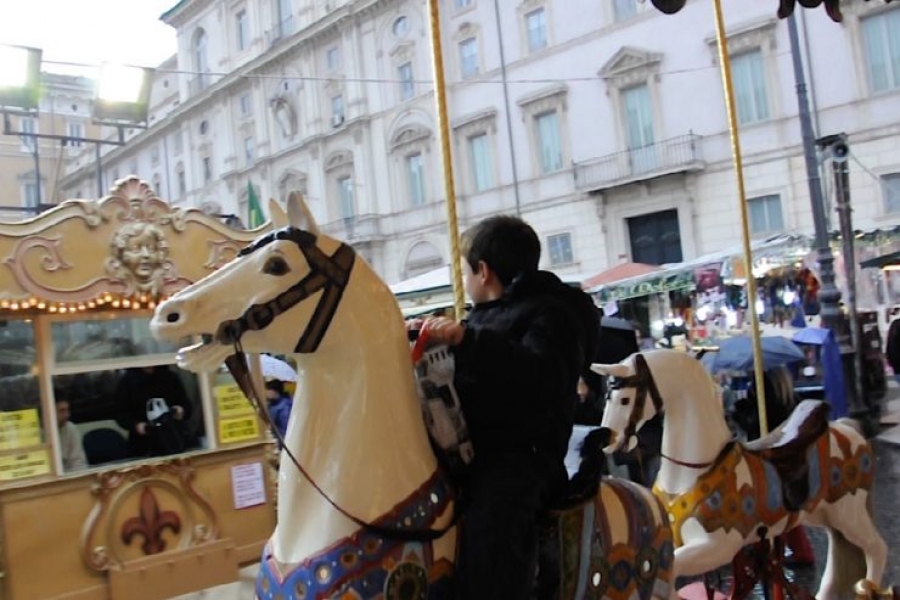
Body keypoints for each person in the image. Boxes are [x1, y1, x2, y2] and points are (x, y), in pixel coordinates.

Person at [419, 215, 599, 600]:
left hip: (520, 458)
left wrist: (468, 342)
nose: (465, 280)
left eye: (465, 271)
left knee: (491, 542)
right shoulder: (480, 319)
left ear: (482, 272)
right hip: (470, 453)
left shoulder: (554, 315)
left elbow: (542, 377)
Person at [114, 365, 193, 457]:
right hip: (143, 442)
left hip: (172, 435)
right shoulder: (127, 381)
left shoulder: (169, 376)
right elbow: (120, 414)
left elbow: (186, 405)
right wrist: (136, 425)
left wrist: (180, 411)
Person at [55, 397, 87, 471]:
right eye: (61, 411)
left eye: (67, 410)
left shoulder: (70, 428)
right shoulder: (37, 432)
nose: (67, 415)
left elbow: (78, 463)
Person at [886, 315, 900, 385]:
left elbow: (889, 343)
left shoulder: (894, 324)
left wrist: (889, 358)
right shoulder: (895, 324)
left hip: (895, 361)